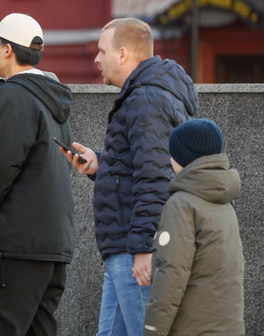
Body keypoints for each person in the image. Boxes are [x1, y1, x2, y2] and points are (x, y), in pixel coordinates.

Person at [63, 18, 199, 336]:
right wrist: (102, 165)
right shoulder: (147, 95)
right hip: (125, 247)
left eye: (101, 51)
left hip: (133, 250)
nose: (96, 59)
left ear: (123, 54)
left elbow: (155, 177)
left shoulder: (145, 100)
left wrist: (143, 250)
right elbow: (142, 165)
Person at [0, 13, 76, 336]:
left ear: (9, 50)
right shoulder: (53, 100)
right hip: (53, 244)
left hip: (17, 244)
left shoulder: (13, 95)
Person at [144, 118, 244, 336]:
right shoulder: (225, 201)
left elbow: (171, 275)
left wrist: (153, 329)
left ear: (183, 158)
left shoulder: (181, 204)